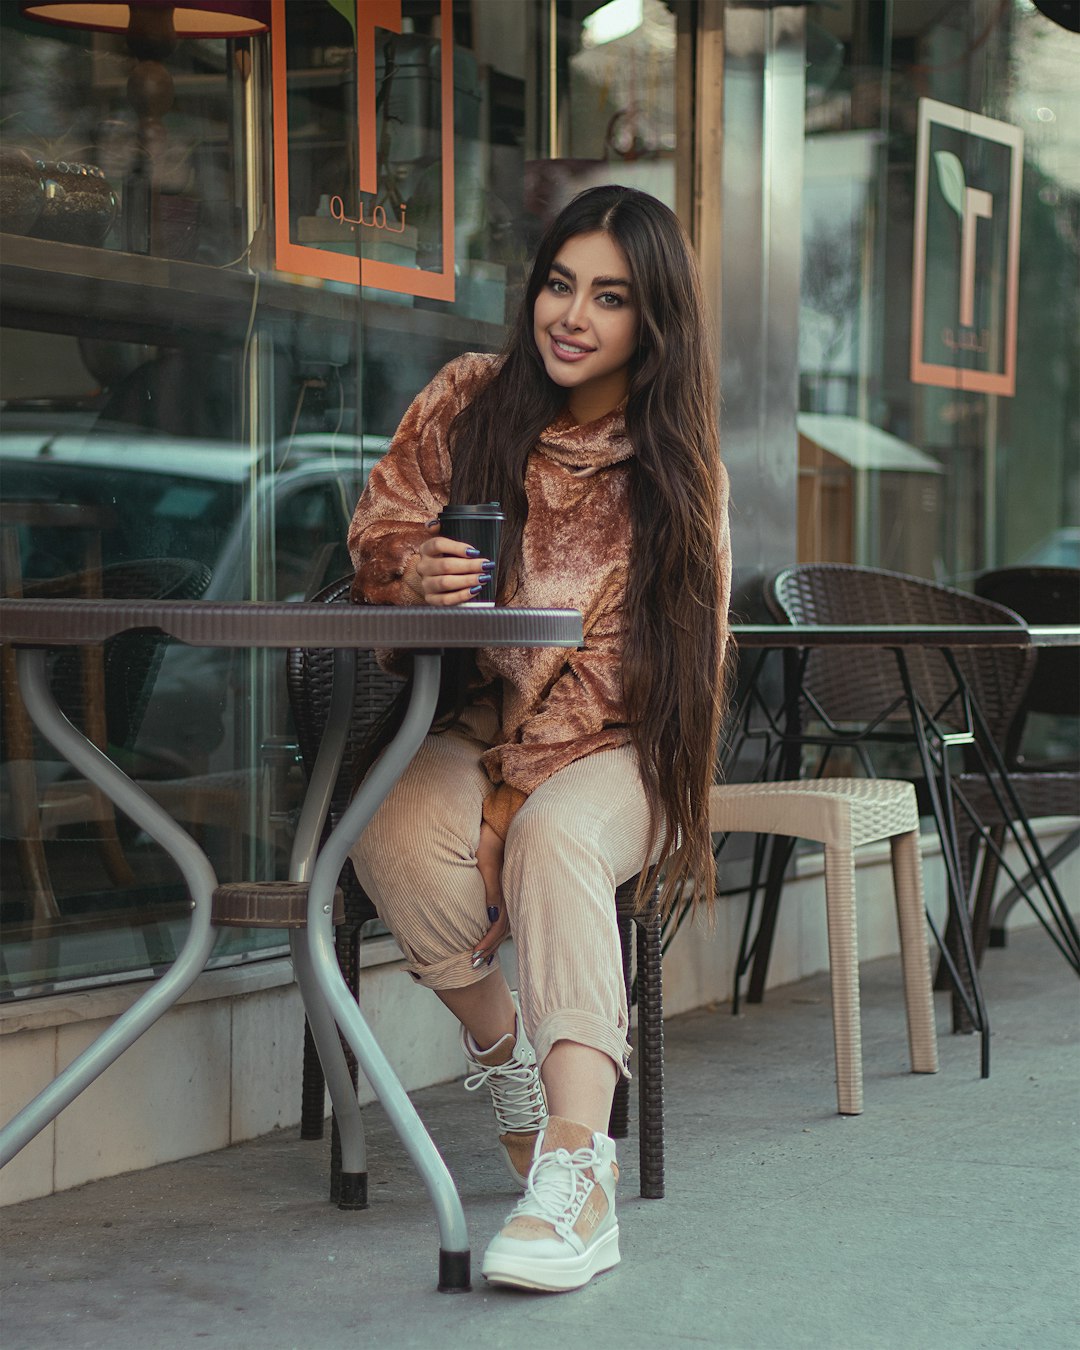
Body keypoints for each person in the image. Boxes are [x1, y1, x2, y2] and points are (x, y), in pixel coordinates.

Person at [347, 184, 731, 1292]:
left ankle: (577, 1173)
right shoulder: (471, 399)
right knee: (396, 835)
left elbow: (639, 668)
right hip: (482, 719)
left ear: (650, 321)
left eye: (609, 298)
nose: (572, 315)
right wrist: (406, 572)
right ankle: (503, 1051)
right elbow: (381, 528)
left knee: (555, 842)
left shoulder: (672, 463)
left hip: (630, 744)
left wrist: (512, 803)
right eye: (561, 284)